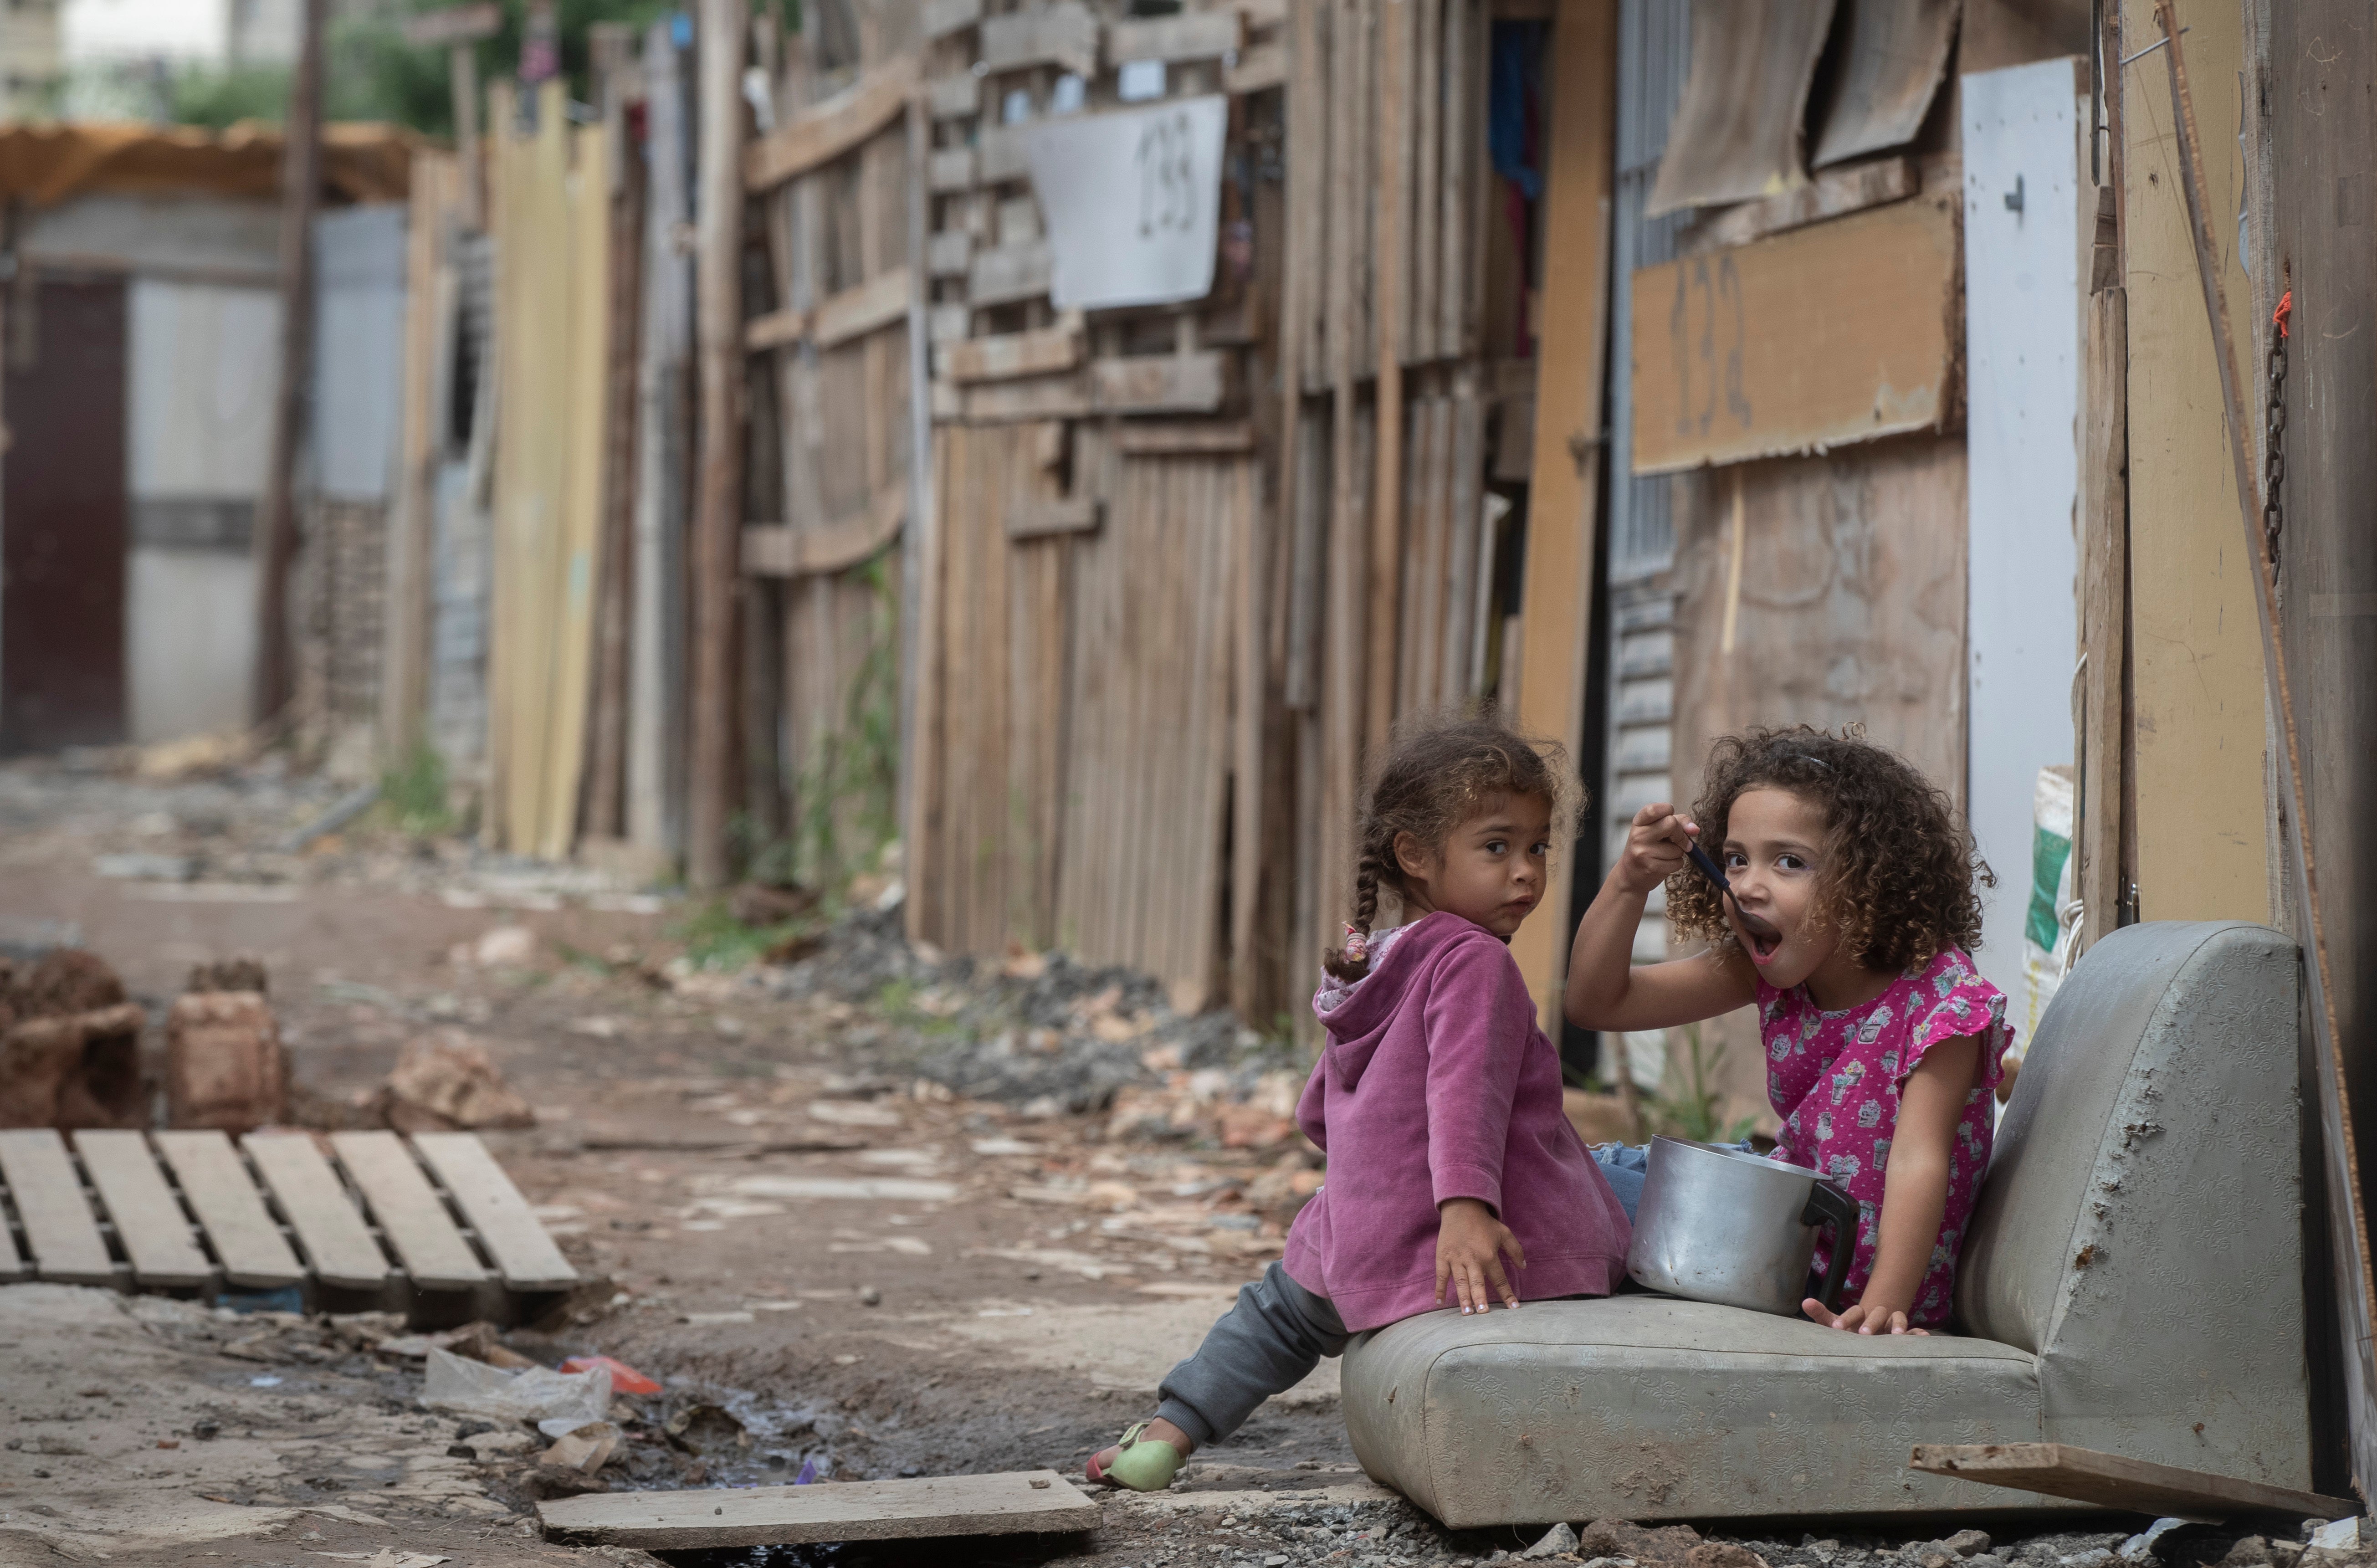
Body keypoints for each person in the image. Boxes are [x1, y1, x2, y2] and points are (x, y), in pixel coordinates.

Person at [1086, 714, 1634, 1491]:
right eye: (1495, 846)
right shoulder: (1475, 961)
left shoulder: (1375, 963)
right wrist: (1464, 1205)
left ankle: (1165, 1435)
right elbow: (1464, 1091)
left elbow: (1319, 1109)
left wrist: (1372, 1168)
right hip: (1477, 1228)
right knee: (1644, 1199)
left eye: (1537, 846)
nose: (1525, 872)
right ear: (1415, 853)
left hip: (1363, 1225)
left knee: (1277, 1313)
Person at [1566, 724, 2009, 1336]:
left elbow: (1916, 1159)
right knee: (1578, 1168)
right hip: (1780, 1225)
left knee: (1563, 1188)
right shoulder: (1768, 970)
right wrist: (1627, 883)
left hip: (1829, 1277)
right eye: (1735, 859)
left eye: (1789, 862)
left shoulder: (1943, 1003)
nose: (1747, 884)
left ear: (1866, 880)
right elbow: (1597, 1003)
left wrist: (1883, 1305)